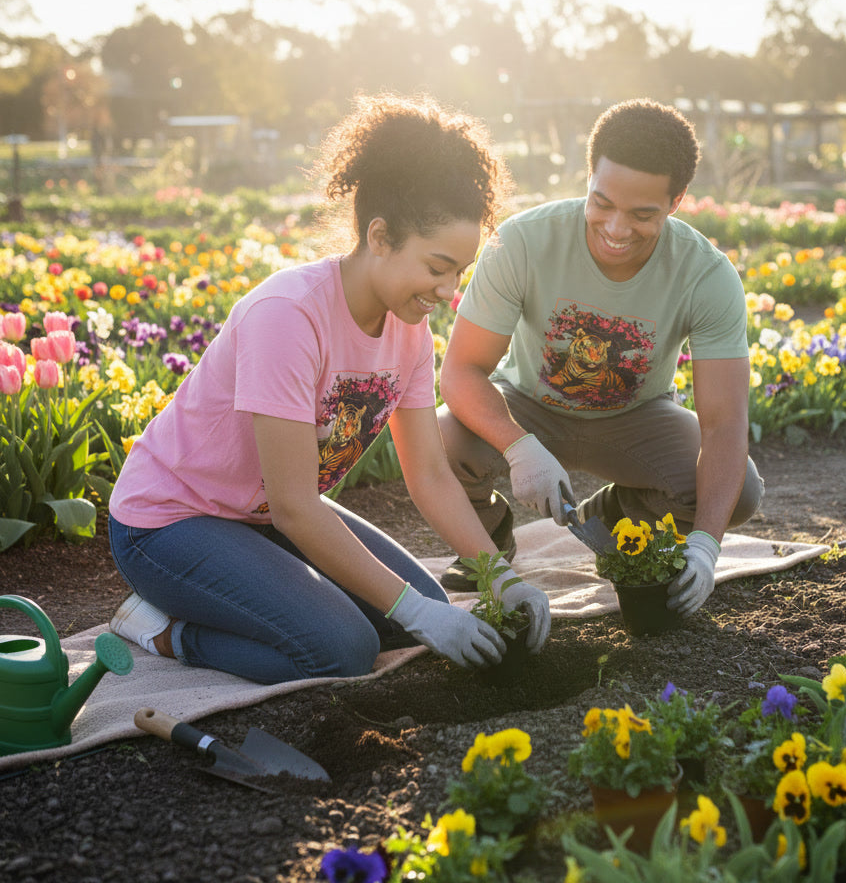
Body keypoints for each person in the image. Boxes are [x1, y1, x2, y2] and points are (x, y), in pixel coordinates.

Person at [107, 93, 551, 685]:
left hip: (260, 518)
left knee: (413, 615)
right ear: (381, 236)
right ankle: (163, 629)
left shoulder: (409, 331)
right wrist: (415, 610)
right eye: (437, 267)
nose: (449, 292)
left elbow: (430, 474)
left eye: (459, 274)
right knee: (341, 649)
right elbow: (295, 505)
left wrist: (500, 577)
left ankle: (248, 595)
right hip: (170, 524)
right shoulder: (288, 316)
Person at [436, 98, 764, 616]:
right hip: (527, 406)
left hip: (636, 418)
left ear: (676, 201)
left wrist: (705, 546)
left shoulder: (705, 274)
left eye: (642, 214)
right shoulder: (522, 242)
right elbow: (459, 372)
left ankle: (614, 513)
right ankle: (488, 537)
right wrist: (519, 448)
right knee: (435, 442)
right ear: (588, 177)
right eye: (602, 203)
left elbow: (724, 423)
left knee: (738, 490)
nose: (615, 228)